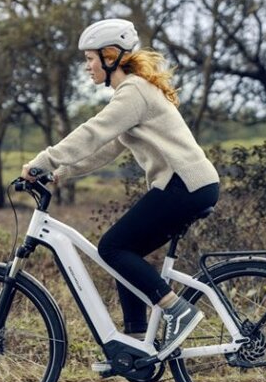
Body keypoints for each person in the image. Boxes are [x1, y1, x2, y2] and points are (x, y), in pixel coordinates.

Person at [21, 18, 219, 360]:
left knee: (113, 247)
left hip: (183, 185)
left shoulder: (133, 91)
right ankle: (137, 344)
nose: (87, 66)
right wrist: (60, 174)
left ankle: (177, 309)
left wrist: (44, 160)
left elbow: (93, 132)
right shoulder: (135, 92)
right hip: (190, 185)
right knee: (123, 254)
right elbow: (107, 146)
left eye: (90, 59)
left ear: (111, 56)